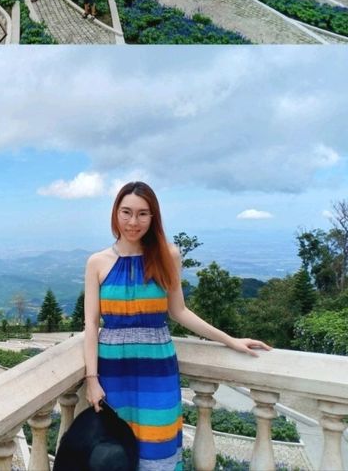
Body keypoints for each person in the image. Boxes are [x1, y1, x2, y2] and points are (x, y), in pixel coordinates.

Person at [84, 182, 270, 470]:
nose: (133, 222)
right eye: (126, 212)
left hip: (157, 373)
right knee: (115, 452)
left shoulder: (166, 255)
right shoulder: (97, 262)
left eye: (143, 214)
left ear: (153, 217)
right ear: (115, 214)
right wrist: (92, 380)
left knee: (158, 450)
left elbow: (179, 311)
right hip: (113, 372)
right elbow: (91, 323)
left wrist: (230, 340)